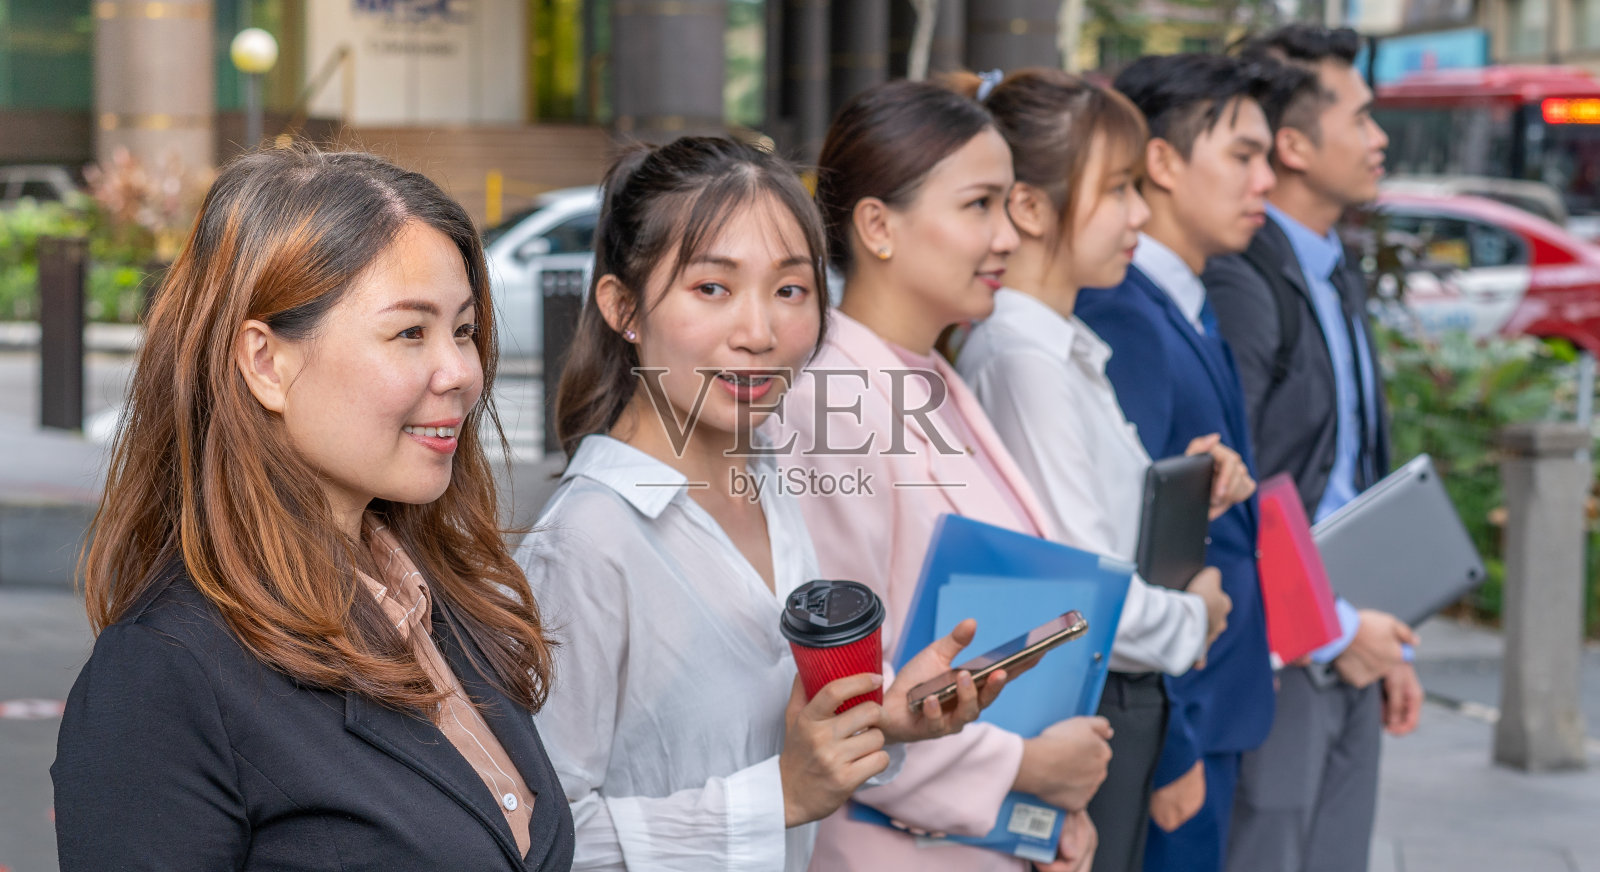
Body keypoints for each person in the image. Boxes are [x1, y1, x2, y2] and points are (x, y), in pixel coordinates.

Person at [52, 146, 575, 870]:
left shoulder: (436, 602)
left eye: (462, 329)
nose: (461, 372)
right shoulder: (163, 675)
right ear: (266, 363)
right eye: (409, 333)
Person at [517, 136, 1009, 872]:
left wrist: (884, 723)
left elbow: (753, 739)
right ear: (623, 306)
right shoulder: (586, 544)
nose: (760, 334)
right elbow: (538, 836)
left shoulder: (771, 482)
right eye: (712, 288)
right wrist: (776, 797)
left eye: (790, 290)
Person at [771, 78, 1113, 872]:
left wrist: (1042, 810)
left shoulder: (924, 374)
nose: (1007, 237)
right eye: (979, 206)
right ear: (879, 226)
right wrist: (1021, 774)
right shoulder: (839, 400)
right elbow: (836, 680)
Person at [952, 67, 1260, 872]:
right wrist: (1195, 617)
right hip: (1101, 697)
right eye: (1119, 188)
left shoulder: (1059, 350)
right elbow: (1088, 593)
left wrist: (1190, 501)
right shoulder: (1027, 360)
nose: (1138, 212)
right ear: (1030, 206)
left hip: (1112, 700)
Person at [1204, 26, 1424, 872]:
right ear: (1294, 144)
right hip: (1285, 636)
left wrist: (1385, 639)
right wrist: (1331, 631)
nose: (1379, 139)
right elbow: (1240, 483)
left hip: (1354, 628)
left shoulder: (1335, 264)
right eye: (1362, 118)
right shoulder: (1243, 280)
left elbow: (1350, 466)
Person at [1072, 53, 1288, 872]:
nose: (1264, 178)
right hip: (1172, 717)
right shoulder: (1123, 313)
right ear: (1161, 161)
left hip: (1209, 695)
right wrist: (1174, 747)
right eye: (1241, 154)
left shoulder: (1185, 302)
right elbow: (1138, 549)